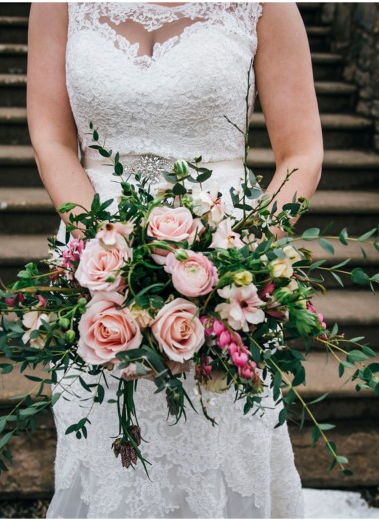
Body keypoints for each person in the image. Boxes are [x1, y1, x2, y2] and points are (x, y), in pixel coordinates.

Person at [27, 2, 323, 517]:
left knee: (222, 429)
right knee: (106, 436)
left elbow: (301, 153)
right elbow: (51, 139)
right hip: (96, 255)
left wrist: (242, 255)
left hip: (226, 254)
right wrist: (107, 249)